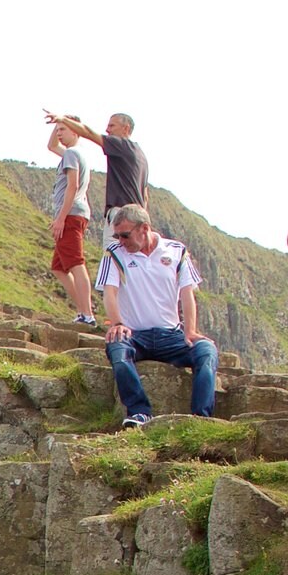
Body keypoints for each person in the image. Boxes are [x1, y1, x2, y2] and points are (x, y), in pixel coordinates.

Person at [97, 205, 218, 427]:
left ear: (144, 228)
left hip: (171, 335)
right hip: (134, 335)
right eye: (117, 235)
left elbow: (187, 292)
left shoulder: (176, 251)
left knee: (206, 351)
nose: (121, 241)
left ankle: (201, 419)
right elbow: (110, 291)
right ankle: (139, 412)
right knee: (117, 347)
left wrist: (190, 331)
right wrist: (117, 323)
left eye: (125, 235)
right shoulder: (114, 253)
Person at [44, 109, 150, 247]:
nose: (107, 130)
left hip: (121, 213)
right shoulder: (140, 155)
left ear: (126, 128)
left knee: (112, 257)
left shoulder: (120, 145)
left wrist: (62, 119)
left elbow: (88, 133)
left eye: (112, 126)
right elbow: (145, 195)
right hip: (137, 216)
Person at [49, 123, 95, 325]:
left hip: (71, 214)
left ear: (75, 131)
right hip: (76, 213)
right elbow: (51, 145)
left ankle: (87, 314)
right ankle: (83, 310)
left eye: (63, 129)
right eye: (58, 129)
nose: (59, 133)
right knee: (59, 267)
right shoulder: (75, 153)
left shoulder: (71, 154)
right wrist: (58, 121)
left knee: (76, 262)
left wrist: (61, 218)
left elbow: (72, 185)